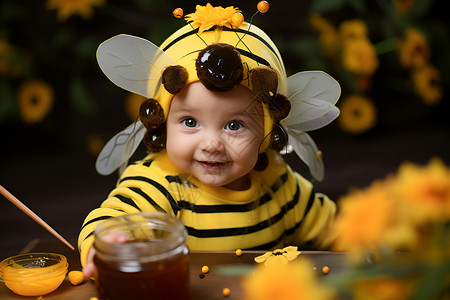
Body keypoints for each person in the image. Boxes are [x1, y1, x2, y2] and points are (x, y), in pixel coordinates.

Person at [79, 2, 341, 277]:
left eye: (234, 125)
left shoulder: (281, 186)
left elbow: (334, 227)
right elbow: (117, 216)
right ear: (163, 122)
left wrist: (368, 237)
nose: (212, 144)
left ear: (266, 131)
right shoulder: (161, 184)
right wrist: (109, 242)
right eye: (190, 122)